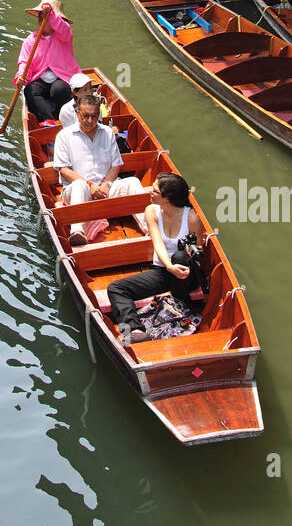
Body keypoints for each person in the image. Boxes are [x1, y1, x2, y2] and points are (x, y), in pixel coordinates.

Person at [106, 174, 205, 341]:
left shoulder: (191, 217)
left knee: (180, 256)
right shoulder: (151, 211)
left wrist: (181, 260)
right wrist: (169, 267)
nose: (150, 192)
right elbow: (158, 243)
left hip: (186, 274)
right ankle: (134, 330)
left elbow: (196, 255)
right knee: (116, 288)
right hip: (163, 270)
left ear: (167, 198)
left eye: (154, 191)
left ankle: (180, 306)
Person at [52, 93, 148, 246]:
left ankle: (150, 228)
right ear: (77, 114)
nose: (90, 121)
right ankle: (78, 232)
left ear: (99, 115)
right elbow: (64, 170)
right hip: (78, 191)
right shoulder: (64, 136)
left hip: (105, 189)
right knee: (79, 185)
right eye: (85, 116)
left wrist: (106, 184)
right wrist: (90, 186)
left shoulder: (107, 132)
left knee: (133, 182)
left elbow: (116, 164)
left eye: (94, 116)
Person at [15, 0, 80, 123]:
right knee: (30, 90)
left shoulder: (64, 36)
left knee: (59, 89)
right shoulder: (31, 40)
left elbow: (64, 29)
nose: (42, 21)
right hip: (41, 78)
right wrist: (21, 77)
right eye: (41, 18)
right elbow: (24, 63)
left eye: (46, 18)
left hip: (61, 77)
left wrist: (51, 15)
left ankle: (66, 117)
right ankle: (48, 120)